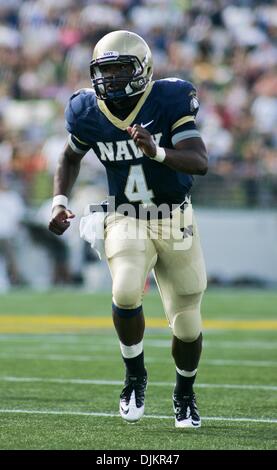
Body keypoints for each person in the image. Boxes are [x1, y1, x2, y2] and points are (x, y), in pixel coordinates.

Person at [49, 30, 208, 428]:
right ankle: (134, 377)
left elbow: (198, 160)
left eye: (120, 70)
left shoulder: (169, 98)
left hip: (175, 219)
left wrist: (156, 150)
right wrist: (59, 202)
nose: (110, 80)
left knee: (187, 325)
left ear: (143, 69)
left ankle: (184, 393)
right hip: (125, 215)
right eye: (105, 71)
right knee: (124, 287)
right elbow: (69, 158)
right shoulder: (88, 110)